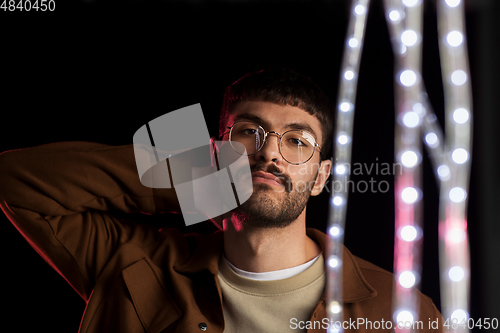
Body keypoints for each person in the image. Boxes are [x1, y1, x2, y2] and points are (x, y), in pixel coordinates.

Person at [0, 67, 442, 332]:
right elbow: (15, 181)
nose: (269, 152)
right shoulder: (136, 267)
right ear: (211, 150)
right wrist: (191, 177)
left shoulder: (402, 310)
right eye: (250, 133)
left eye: (297, 141)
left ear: (321, 177)